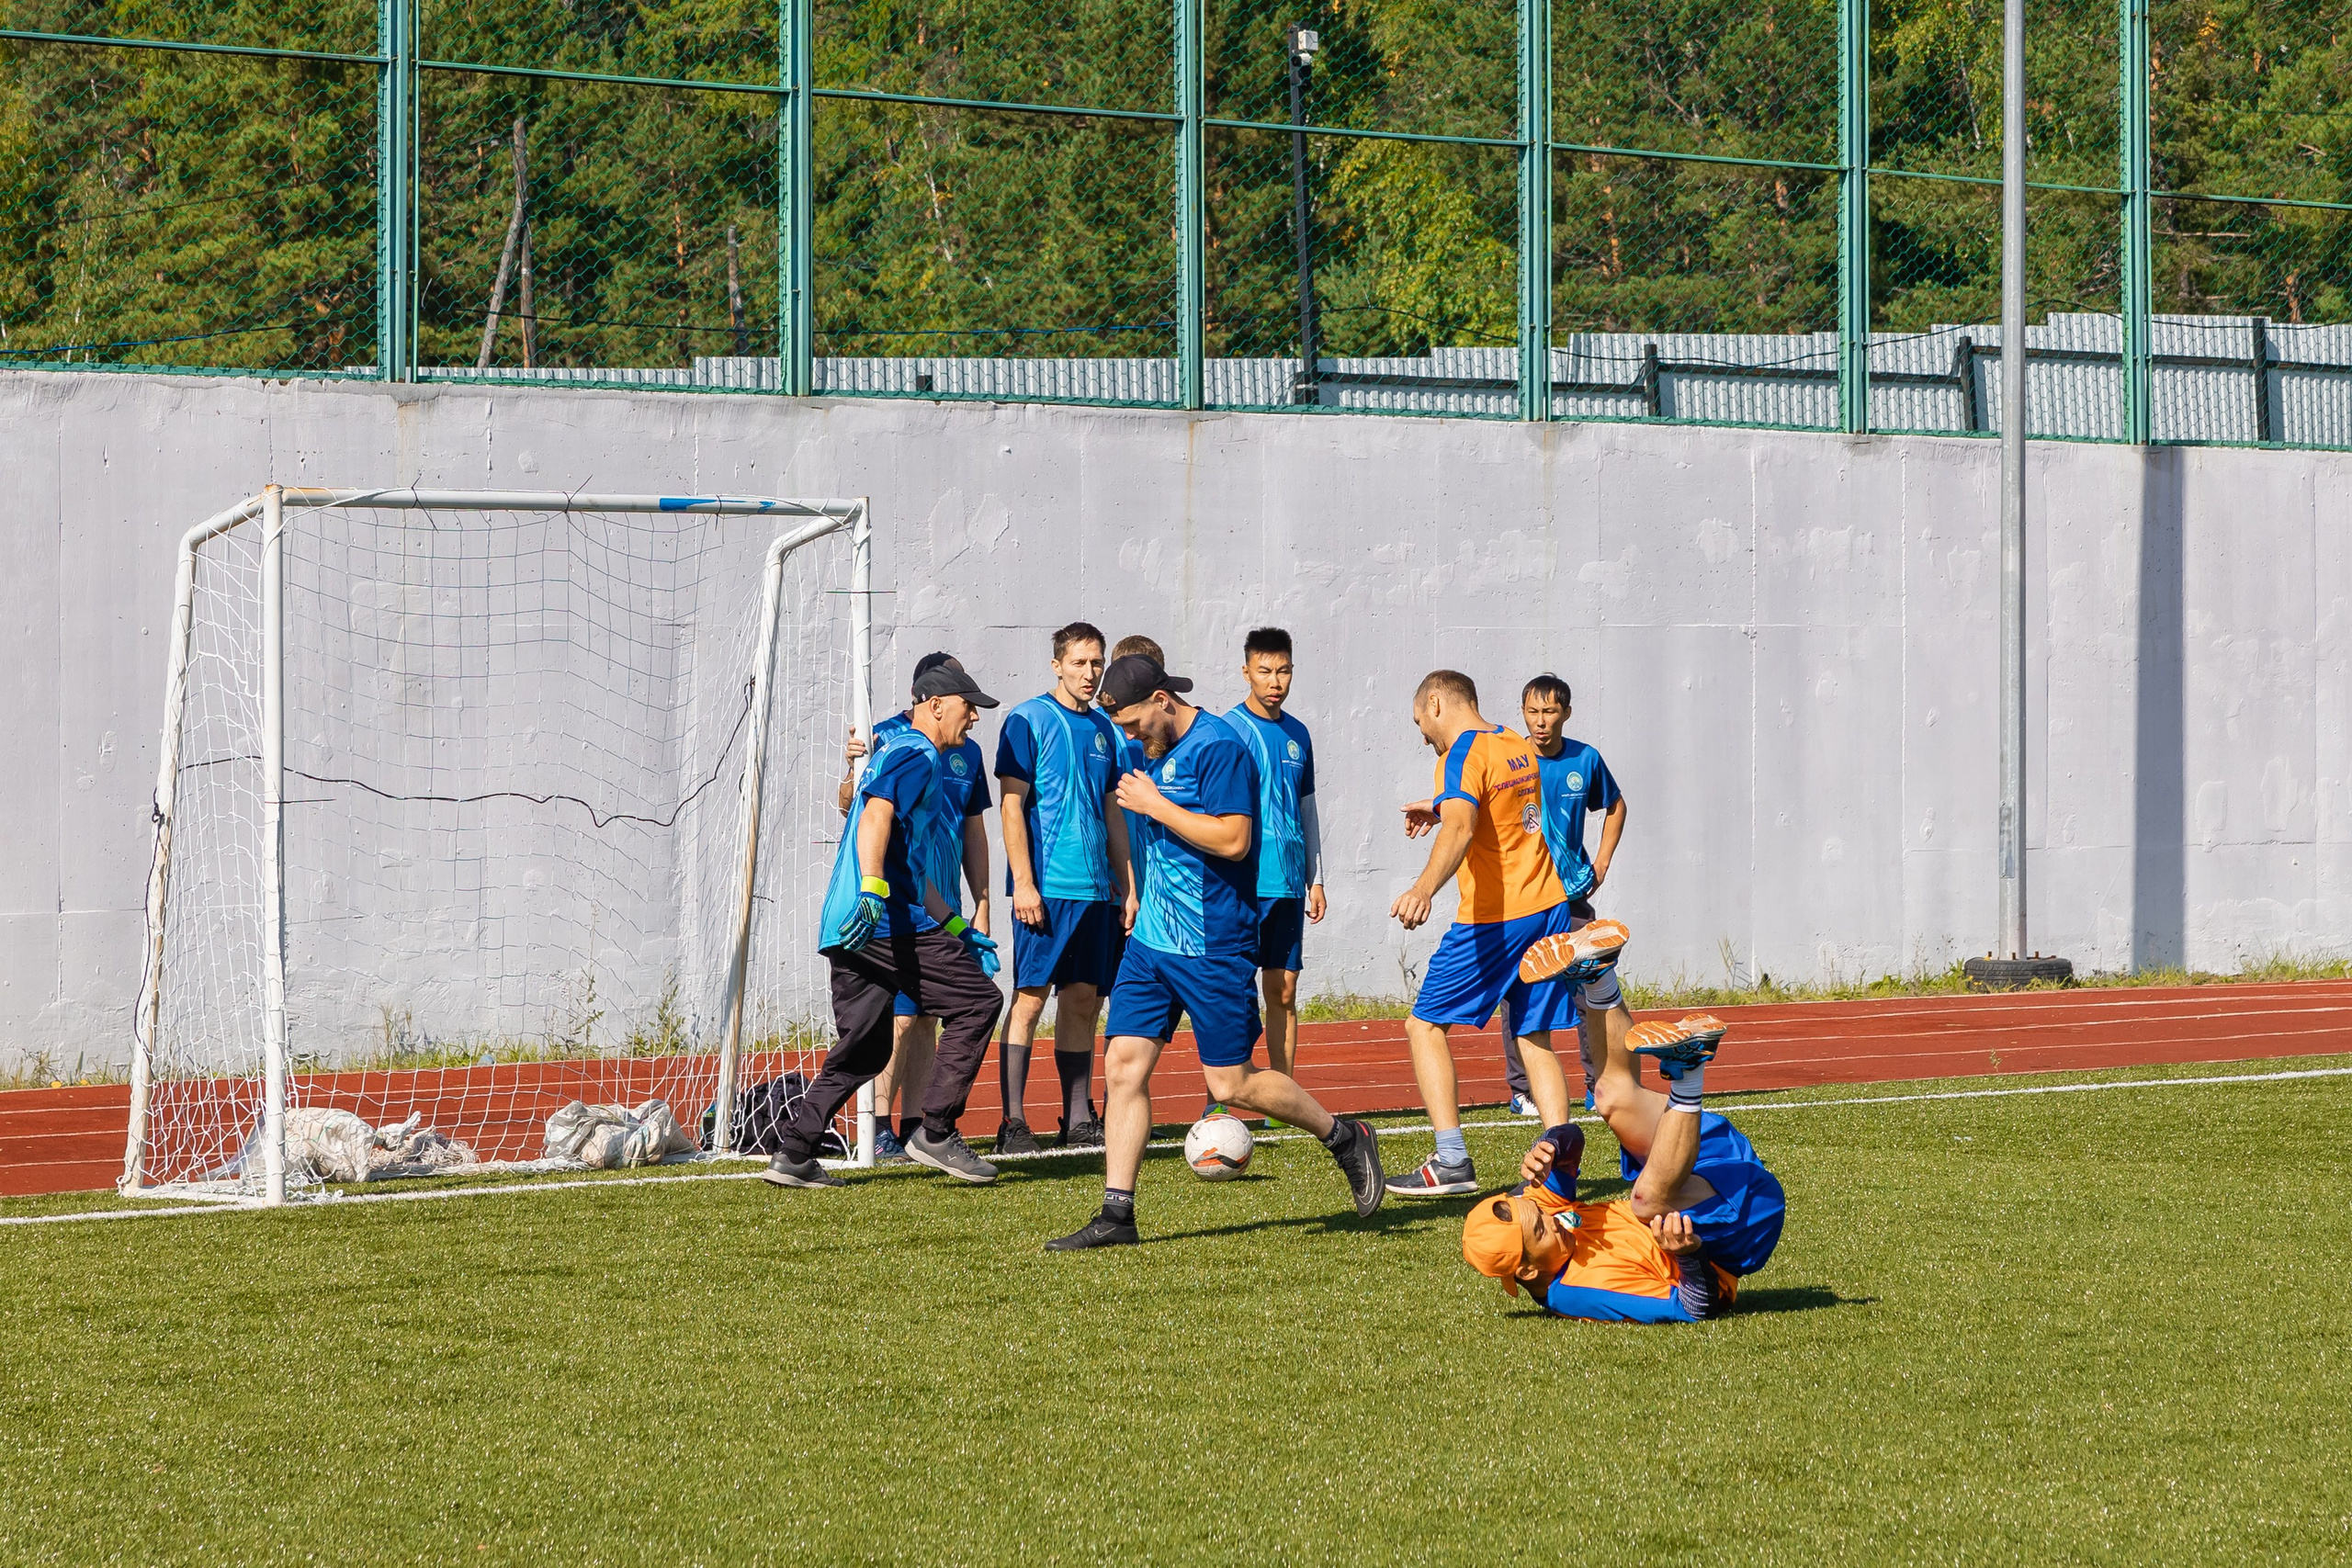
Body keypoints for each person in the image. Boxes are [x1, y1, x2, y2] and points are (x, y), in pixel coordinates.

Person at [1046, 654, 1385, 1249]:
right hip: (1152, 941)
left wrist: (1158, 807)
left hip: (1213, 943)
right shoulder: (1141, 748)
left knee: (1231, 1085)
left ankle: (1345, 1136)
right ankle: (1117, 1214)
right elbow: (1131, 819)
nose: (1128, 736)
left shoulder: (1218, 746)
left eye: (1132, 723)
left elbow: (1234, 838)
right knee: (1123, 1065)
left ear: (1161, 699)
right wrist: (1134, 889)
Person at [764, 662, 1006, 1189]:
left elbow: (914, 870)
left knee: (866, 1047)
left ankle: (794, 1152)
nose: (974, 718)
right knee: (980, 1002)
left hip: (850, 924)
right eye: (970, 706)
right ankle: (935, 1131)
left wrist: (961, 928)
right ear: (937, 704)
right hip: (882, 921)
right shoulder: (917, 753)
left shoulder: (906, 754)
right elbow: (873, 813)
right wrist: (874, 888)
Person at [1386, 670, 1581, 1196]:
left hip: (1497, 918)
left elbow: (1462, 827)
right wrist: (1444, 804)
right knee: (1532, 1036)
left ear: (1435, 702)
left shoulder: (1459, 756)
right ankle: (1559, 1171)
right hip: (1549, 906)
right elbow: (1510, 812)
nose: (1422, 733)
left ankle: (1451, 1160)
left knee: (1423, 1027)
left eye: (1420, 721)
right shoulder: (1512, 742)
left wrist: (1424, 887)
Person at [1460, 1011, 1784, 1320]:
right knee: (1646, 1202)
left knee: (1609, 1096)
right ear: (1528, 1271)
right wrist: (1689, 1254)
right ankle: (1688, 1073)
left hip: (1708, 1164)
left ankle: (1597, 980)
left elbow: (1573, 1141)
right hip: (1737, 1227)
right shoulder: (1580, 1291)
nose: (1552, 1218)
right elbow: (1696, 1307)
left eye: (1540, 1213)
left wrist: (1551, 1146)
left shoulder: (1534, 1214)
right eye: (1540, 1229)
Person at [837, 652, 995, 1162]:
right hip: (898, 899)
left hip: (940, 897)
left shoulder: (966, 752)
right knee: (898, 1017)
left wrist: (981, 903)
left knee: (929, 1016)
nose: (971, 711)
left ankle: (917, 1126)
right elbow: (853, 805)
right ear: (933, 698)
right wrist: (850, 769)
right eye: (964, 697)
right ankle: (878, 1128)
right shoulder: (884, 737)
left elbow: (974, 828)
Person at [995, 622, 1132, 1155]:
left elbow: (1112, 812)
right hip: (1046, 890)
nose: (1090, 673)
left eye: (1096, 663)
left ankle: (1077, 1118)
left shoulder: (1105, 730)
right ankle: (1013, 1122)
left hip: (1097, 893)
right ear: (1057, 665)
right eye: (1079, 663)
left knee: (1081, 1001)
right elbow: (1011, 806)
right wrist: (1024, 884)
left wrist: (1128, 886)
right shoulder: (1027, 720)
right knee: (1030, 1000)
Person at [1502, 672, 1627, 1114]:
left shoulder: (1585, 759)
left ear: (1566, 714)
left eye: (1550, 712)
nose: (1541, 722)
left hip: (1570, 895)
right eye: (1533, 712)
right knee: (1523, 989)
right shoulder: (1510, 758)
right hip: (1521, 896)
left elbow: (1616, 806)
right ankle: (1522, 1090)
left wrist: (1602, 862)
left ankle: (1599, 1085)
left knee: (1590, 988)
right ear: (1523, 713)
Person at [1222, 627, 1324, 1125]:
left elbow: (1307, 809)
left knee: (1283, 990)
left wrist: (1316, 878)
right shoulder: (1227, 729)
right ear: (1247, 672)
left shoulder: (1299, 733)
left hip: (1286, 884)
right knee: (1237, 992)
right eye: (1265, 671)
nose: (1275, 681)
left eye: (1283, 670)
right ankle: (1234, 1092)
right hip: (1241, 885)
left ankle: (1283, 1103)